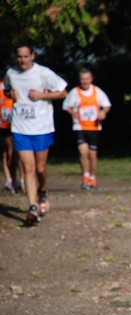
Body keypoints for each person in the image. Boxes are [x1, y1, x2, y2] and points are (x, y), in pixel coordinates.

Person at [3, 44, 67, 224]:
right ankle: (33, 207)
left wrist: (42, 96)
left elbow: (63, 92)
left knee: (40, 168)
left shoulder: (43, 73)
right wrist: (10, 93)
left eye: (25, 56)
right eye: (19, 57)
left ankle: (43, 191)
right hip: (20, 128)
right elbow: (7, 90)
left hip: (42, 127)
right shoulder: (11, 73)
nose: (22, 60)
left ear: (32, 56)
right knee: (28, 168)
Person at [62, 68, 111, 190]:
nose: (84, 81)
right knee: (83, 153)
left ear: (91, 79)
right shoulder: (75, 92)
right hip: (80, 126)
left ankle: (93, 178)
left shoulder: (96, 91)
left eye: (87, 79)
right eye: (82, 79)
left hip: (94, 127)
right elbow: (66, 106)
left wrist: (102, 112)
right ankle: (85, 177)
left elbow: (107, 105)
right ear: (79, 80)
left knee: (92, 155)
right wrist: (72, 113)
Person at [0, 76, 17, 193]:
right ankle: (10, 180)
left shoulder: (19, 85)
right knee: (8, 152)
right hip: (3, 125)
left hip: (17, 125)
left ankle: (17, 180)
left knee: (15, 153)